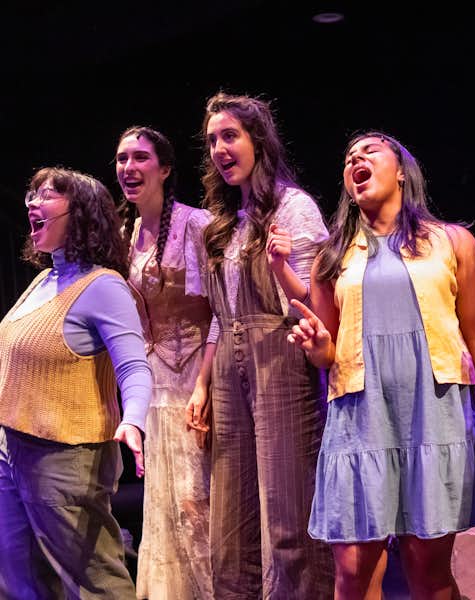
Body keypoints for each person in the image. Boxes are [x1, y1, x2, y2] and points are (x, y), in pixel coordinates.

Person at [287, 131, 475, 600]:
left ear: (402, 170)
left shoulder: (453, 242)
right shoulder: (332, 258)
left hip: (434, 412)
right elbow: (326, 351)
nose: (355, 160)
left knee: (429, 572)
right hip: (362, 419)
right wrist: (317, 345)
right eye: (348, 158)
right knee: (353, 571)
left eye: (370, 151)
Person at [186, 92, 334, 598]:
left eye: (230, 136)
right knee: (229, 522)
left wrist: (279, 265)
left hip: (280, 356)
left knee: (289, 516)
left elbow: (316, 300)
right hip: (227, 361)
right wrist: (202, 385)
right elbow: (216, 317)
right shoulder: (221, 226)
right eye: (211, 141)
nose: (219, 149)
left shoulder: (294, 208)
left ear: (258, 142)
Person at [0, 167, 152, 598]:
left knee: (94, 582)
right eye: (31, 193)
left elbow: (135, 367)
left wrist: (134, 420)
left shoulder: (103, 286)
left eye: (46, 195)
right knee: (18, 579)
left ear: (82, 212)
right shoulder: (42, 280)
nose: (32, 202)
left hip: (65, 456)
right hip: (11, 450)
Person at [116, 126, 215, 599]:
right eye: (121, 159)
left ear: (166, 168)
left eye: (140, 157)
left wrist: (207, 385)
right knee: (164, 505)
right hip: (154, 383)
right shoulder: (125, 234)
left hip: (201, 374)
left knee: (200, 503)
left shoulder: (198, 225)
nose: (128, 168)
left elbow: (223, 309)